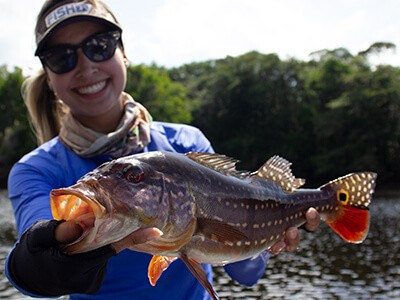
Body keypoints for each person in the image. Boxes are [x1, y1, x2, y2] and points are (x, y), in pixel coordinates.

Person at [5, 0, 320, 299]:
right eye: (62, 57)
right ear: (48, 77)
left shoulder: (187, 144)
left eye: (99, 46)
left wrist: (265, 241)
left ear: (123, 53)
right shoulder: (36, 170)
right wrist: (51, 256)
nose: (86, 66)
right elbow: (35, 268)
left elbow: (246, 275)